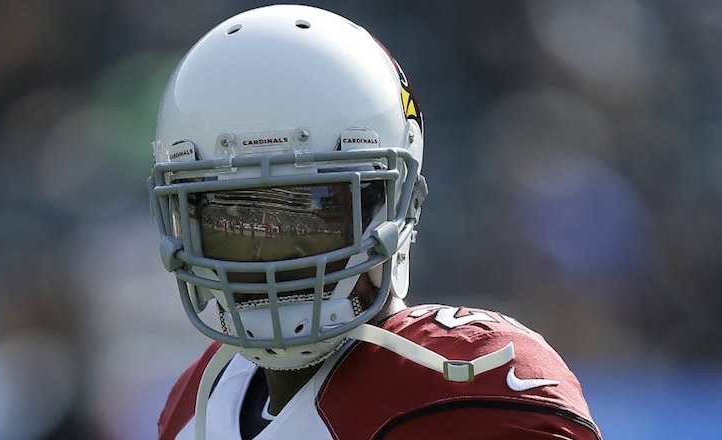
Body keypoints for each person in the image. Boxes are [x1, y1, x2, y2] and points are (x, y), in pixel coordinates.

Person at [147, 5, 601, 439]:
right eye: (234, 217)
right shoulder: (200, 397)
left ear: (395, 204)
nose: (270, 254)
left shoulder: (467, 382)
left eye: (312, 212)